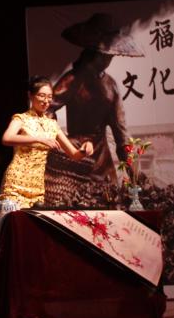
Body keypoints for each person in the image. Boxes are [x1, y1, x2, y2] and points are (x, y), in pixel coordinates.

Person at [47, 13, 143, 195]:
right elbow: (48, 108)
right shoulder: (73, 79)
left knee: (108, 199)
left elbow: (121, 133)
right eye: (105, 56)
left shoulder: (111, 86)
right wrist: (62, 142)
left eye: (110, 56)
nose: (108, 59)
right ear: (94, 53)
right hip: (75, 157)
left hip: (102, 161)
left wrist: (135, 178)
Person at [0, 76, 94, 211]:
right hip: (16, 183)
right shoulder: (21, 118)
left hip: (37, 186)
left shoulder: (52, 124)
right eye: (42, 96)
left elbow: (74, 154)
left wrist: (86, 148)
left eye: (49, 97)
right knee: (14, 222)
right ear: (30, 95)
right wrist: (39, 139)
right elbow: (7, 138)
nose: (46, 101)